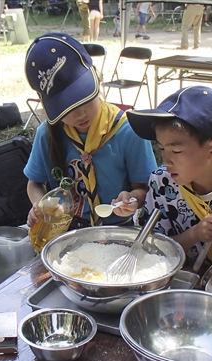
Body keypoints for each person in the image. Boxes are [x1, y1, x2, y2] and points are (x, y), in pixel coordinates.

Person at [125, 86, 212, 269]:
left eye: (176, 151)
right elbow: (149, 248)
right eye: (162, 149)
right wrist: (195, 234)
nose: (166, 161)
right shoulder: (162, 181)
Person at [23, 33, 157, 230]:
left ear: (97, 77)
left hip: (117, 229)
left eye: (84, 98)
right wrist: (41, 205)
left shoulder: (128, 130)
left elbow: (144, 189)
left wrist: (132, 199)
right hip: (66, 230)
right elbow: (34, 183)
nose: (80, 114)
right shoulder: (48, 133)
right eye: (66, 109)